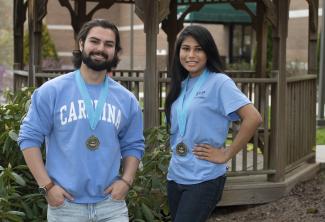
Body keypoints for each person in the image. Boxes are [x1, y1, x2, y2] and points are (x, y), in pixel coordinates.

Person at [18, 19, 144, 222]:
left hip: (111, 205)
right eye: (95, 41)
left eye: (108, 44)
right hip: (66, 207)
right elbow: (28, 138)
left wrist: (127, 181)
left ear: (115, 51)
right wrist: (47, 186)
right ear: (81, 44)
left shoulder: (126, 99)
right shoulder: (52, 92)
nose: (101, 48)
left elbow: (134, 144)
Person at [164, 25, 262, 222]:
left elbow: (253, 118)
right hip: (176, 175)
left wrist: (226, 154)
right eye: (185, 48)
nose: (191, 55)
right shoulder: (181, 85)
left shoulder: (220, 82)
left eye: (198, 49)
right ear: (178, 52)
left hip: (204, 177)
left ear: (208, 52)